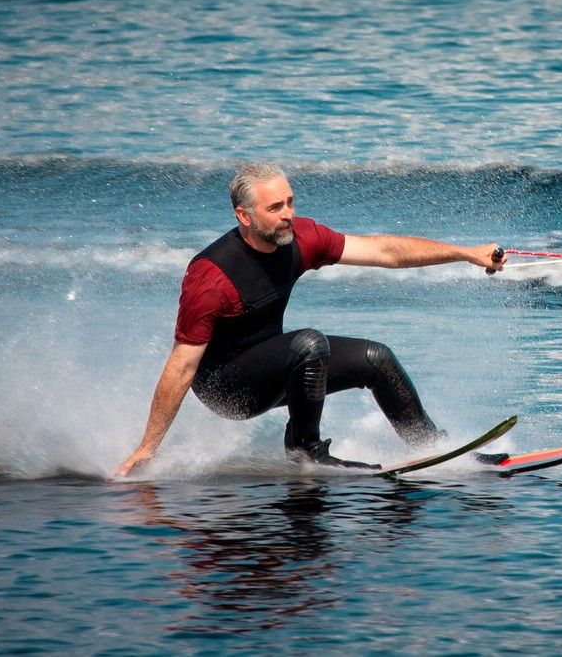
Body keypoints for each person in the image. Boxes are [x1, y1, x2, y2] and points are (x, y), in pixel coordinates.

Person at [115, 163, 505, 476]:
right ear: (244, 216)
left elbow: (385, 251)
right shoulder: (211, 278)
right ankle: (305, 450)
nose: (289, 215)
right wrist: (149, 446)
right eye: (275, 208)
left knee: (377, 359)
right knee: (309, 343)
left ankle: (432, 449)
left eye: (290, 202)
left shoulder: (301, 237)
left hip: (278, 364)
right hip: (227, 389)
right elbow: (182, 366)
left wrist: (465, 253)